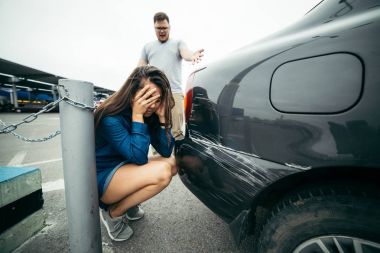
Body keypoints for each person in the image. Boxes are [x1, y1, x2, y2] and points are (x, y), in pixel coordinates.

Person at [94, 66, 177, 241]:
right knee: (162, 173)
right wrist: (137, 116)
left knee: (173, 163)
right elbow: (139, 158)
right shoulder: (110, 116)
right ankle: (113, 213)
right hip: (103, 179)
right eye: (148, 97)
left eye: (158, 99)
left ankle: (128, 204)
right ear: (132, 94)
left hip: (125, 168)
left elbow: (166, 151)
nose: (153, 105)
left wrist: (163, 119)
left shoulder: (152, 113)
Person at [138, 11, 204, 139]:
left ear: (169, 27)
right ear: (154, 28)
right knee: (157, 130)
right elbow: (139, 68)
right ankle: (158, 157)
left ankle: (176, 158)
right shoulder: (147, 47)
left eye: (164, 28)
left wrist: (192, 56)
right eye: (158, 28)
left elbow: (186, 54)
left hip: (174, 93)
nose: (162, 31)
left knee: (177, 132)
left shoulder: (178, 43)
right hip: (154, 94)